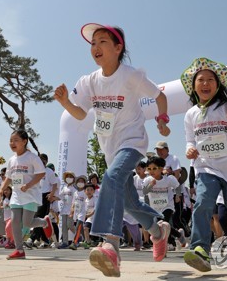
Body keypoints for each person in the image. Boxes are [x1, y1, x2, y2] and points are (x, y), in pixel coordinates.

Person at [54, 23, 171, 277]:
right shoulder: (88, 81)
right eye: (93, 43)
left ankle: (111, 247)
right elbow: (80, 113)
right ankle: (158, 229)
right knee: (128, 201)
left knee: (112, 177)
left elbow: (159, 96)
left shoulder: (130, 75)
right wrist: (65, 102)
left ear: (118, 48)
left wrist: (162, 118)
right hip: (110, 148)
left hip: (132, 142)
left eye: (102, 42)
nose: (95, 47)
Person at [180, 57, 227, 272]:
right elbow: (189, 139)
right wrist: (189, 150)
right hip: (206, 167)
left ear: (218, 84)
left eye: (210, 80)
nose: (205, 84)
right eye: (201, 80)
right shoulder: (190, 114)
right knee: (203, 203)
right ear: (193, 86)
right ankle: (199, 250)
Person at [0, 129, 53, 260]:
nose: (12, 143)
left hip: (30, 194)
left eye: (16, 140)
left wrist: (28, 185)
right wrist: (1, 189)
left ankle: (44, 222)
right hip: (16, 194)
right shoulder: (11, 160)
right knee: (15, 221)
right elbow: (9, 177)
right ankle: (19, 250)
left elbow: (41, 173)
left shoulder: (32, 157)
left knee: (26, 223)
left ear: (24, 141)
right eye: (11, 140)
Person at [142, 156, 186, 251]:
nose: (151, 171)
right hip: (155, 207)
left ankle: (167, 244)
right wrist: (151, 185)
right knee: (160, 226)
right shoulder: (148, 180)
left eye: (154, 168)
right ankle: (178, 235)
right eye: (149, 169)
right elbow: (145, 192)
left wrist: (178, 195)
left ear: (161, 168)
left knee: (164, 224)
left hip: (167, 206)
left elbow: (177, 186)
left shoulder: (168, 179)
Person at [55, 171, 76, 249]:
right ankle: (65, 242)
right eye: (68, 176)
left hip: (71, 209)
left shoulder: (74, 189)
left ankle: (79, 236)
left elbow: (75, 199)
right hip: (64, 209)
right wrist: (52, 197)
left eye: (71, 177)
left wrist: (73, 210)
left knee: (69, 224)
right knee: (64, 226)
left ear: (73, 179)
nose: (69, 178)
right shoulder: (64, 188)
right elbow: (59, 196)